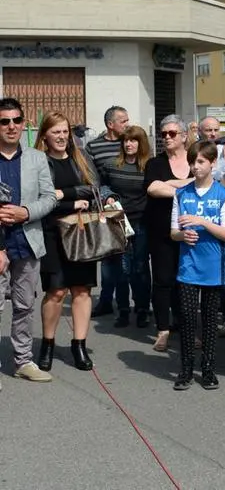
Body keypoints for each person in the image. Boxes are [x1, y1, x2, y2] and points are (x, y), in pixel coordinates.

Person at [35, 112, 107, 372]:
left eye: (65, 131)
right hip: (52, 233)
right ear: (45, 135)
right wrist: (71, 201)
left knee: (82, 290)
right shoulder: (39, 162)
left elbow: (94, 188)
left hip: (81, 232)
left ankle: (79, 344)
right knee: (55, 292)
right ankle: (48, 343)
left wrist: (64, 194)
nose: (62, 137)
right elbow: (40, 198)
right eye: (56, 132)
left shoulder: (81, 157)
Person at [0, 98, 56, 383]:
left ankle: (23, 360)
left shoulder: (36, 158)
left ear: (24, 123)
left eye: (16, 120)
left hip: (27, 242)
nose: (11, 126)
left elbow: (49, 198)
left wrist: (25, 212)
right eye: (4, 121)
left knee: (24, 305)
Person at [170, 141, 225, 391]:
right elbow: (173, 231)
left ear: (212, 164)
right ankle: (185, 369)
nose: (195, 167)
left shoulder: (223, 195)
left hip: (213, 266)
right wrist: (182, 236)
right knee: (186, 317)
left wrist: (202, 222)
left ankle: (208, 369)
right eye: (192, 163)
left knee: (209, 319)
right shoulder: (182, 193)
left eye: (201, 162)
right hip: (188, 265)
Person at [144, 115, 193, 352]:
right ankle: (163, 329)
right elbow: (153, 188)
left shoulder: (195, 160)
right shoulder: (155, 163)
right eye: (163, 134)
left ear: (184, 137)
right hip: (162, 230)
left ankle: (187, 329)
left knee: (187, 282)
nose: (167, 138)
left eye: (172, 133)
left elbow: (205, 183)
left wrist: (170, 184)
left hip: (191, 231)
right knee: (163, 280)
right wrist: (186, 187)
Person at [101, 125, 152, 328]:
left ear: (141, 143)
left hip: (142, 222)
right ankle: (123, 310)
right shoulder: (112, 164)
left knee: (140, 267)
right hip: (118, 220)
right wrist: (109, 196)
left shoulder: (149, 166)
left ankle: (142, 308)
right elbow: (101, 185)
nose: (129, 144)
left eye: (133, 140)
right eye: (126, 140)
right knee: (121, 268)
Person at [87, 105, 129, 317]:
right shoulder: (93, 147)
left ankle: (125, 305)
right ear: (110, 124)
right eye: (123, 121)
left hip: (129, 207)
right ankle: (106, 301)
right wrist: (104, 197)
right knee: (108, 256)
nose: (126, 124)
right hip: (105, 208)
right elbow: (91, 177)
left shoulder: (128, 143)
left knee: (125, 258)